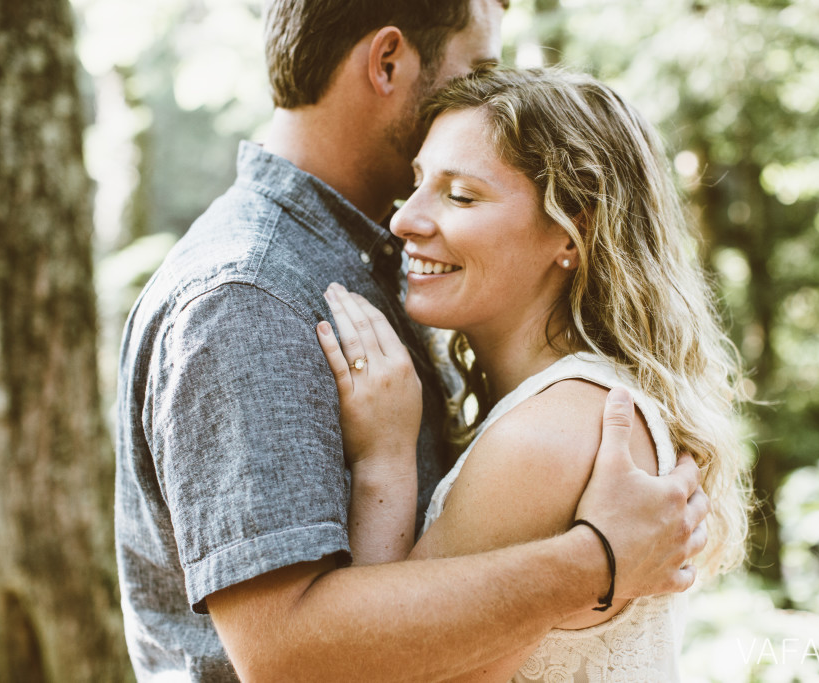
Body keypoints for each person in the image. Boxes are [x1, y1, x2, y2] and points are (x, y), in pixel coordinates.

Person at [115, 2, 711, 681]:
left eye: (460, 195)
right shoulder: (251, 292)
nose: (410, 220)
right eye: (479, 68)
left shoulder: (373, 272)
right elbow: (285, 656)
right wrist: (597, 560)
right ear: (388, 61)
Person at [317, 66, 751, 682]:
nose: (404, 220)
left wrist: (384, 457)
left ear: (573, 230)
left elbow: (369, 673)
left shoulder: (552, 435)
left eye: (461, 195)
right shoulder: (579, 401)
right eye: (416, 184)